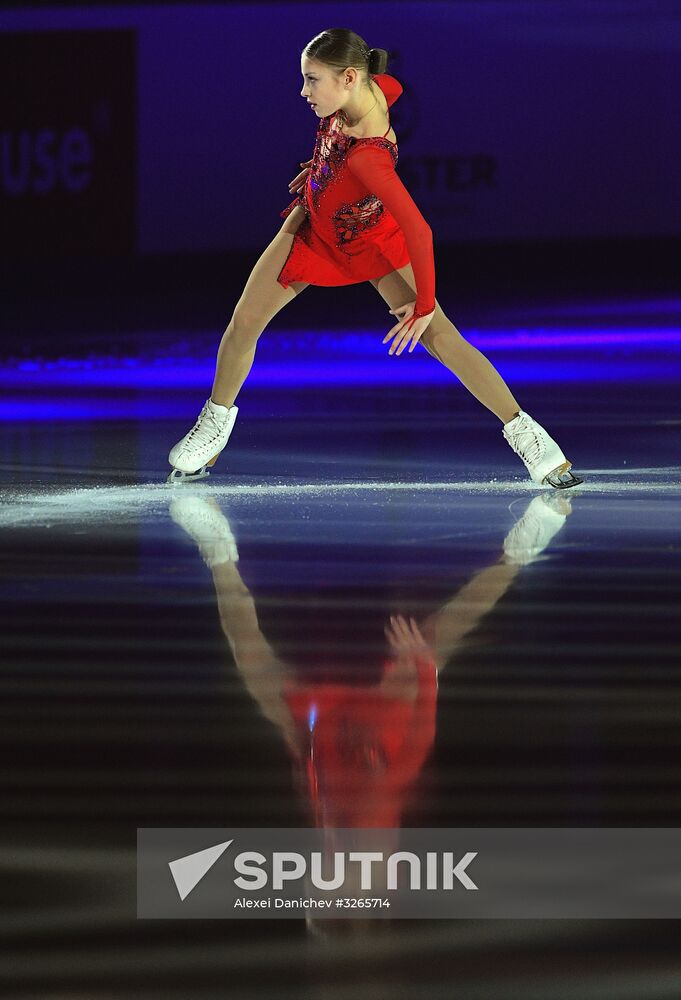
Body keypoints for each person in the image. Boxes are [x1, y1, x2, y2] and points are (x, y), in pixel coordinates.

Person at [167, 28, 582, 490]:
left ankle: (531, 437)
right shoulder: (372, 88)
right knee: (244, 323)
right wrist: (323, 169)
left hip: (371, 242)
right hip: (311, 230)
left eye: (312, 80)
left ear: (346, 78)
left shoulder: (370, 158)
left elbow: (420, 229)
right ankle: (214, 425)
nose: (303, 92)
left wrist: (424, 305)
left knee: (440, 336)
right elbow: (393, 85)